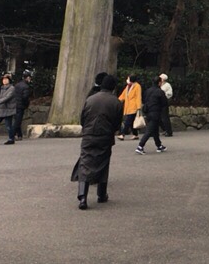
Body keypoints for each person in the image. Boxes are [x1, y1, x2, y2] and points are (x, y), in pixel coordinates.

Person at [71, 73, 124, 209]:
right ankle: (101, 194)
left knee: (85, 162)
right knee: (103, 163)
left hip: (89, 134)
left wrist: (87, 128)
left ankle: (83, 197)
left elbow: (83, 118)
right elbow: (117, 123)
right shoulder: (116, 102)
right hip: (105, 136)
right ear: (113, 87)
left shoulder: (90, 99)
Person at [134, 75, 168, 155]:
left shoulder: (148, 91)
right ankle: (140, 146)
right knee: (149, 130)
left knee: (155, 129)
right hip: (155, 112)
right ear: (159, 83)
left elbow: (144, 99)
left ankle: (159, 145)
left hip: (148, 111)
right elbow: (164, 103)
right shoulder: (160, 92)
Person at [117, 74, 142, 140]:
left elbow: (138, 97)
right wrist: (118, 101)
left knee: (128, 121)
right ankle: (135, 134)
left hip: (133, 106)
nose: (127, 80)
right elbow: (123, 95)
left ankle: (122, 134)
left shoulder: (137, 86)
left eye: (128, 78)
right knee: (131, 122)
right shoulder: (128, 86)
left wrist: (138, 107)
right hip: (128, 106)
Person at [12, 70, 32, 140]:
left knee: (17, 120)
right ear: (27, 78)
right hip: (21, 106)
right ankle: (12, 134)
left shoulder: (17, 85)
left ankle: (20, 135)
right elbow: (25, 97)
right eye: (29, 78)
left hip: (15, 104)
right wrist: (26, 104)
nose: (30, 79)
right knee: (18, 121)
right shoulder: (26, 87)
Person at [158, 73, 174, 137]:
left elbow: (170, 93)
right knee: (158, 117)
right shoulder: (159, 84)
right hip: (158, 102)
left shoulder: (167, 85)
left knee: (165, 117)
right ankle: (164, 129)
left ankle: (168, 131)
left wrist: (163, 95)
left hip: (164, 102)